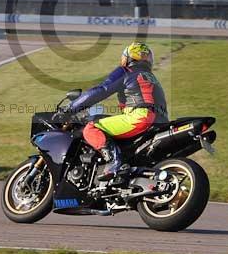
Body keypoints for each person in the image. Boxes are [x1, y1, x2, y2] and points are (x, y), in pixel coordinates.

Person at [66, 42, 167, 180]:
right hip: (161, 121)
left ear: (127, 58)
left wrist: (72, 107)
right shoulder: (152, 78)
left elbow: (101, 90)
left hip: (140, 118)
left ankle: (114, 162)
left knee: (91, 127)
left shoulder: (126, 71)